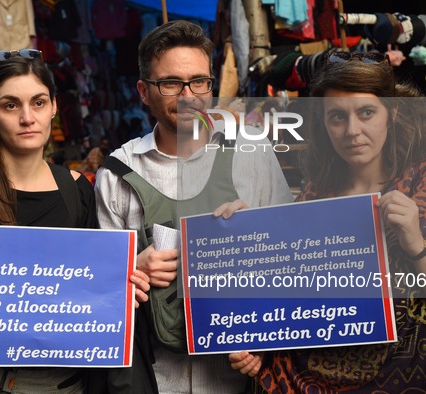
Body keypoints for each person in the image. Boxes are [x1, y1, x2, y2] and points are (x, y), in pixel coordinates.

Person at [229, 51, 426, 392]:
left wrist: (417, 246)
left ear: (391, 113)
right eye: (337, 117)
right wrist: (246, 238)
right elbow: (293, 310)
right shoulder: (315, 194)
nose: (352, 131)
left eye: (366, 112)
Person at [0, 50, 150, 393]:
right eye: (10, 105)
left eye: (37, 103)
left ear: (53, 106)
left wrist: (123, 282)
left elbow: (89, 288)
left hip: (59, 382)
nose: (26, 117)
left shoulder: (78, 189)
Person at [94, 20, 293, 393]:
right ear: (143, 91)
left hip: (234, 376)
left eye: (199, 81)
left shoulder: (251, 153)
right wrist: (129, 267)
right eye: (171, 83)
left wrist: (265, 345)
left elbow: (289, 262)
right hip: (154, 378)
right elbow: (101, 296)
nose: (188, 96)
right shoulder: (117, 173)